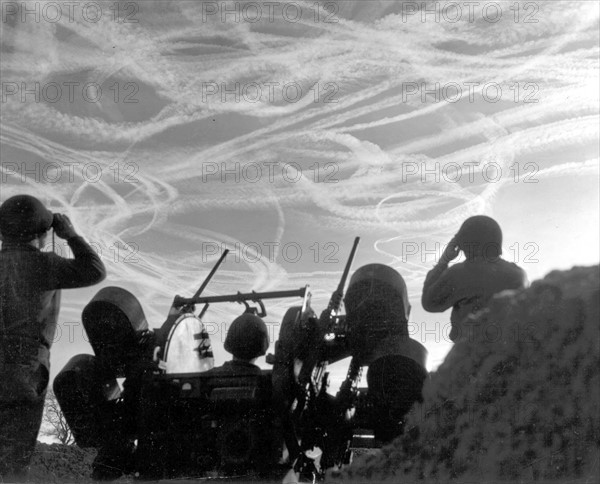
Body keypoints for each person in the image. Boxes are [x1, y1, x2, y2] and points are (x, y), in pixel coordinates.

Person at [0, 194, 106, 479]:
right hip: (25, 366)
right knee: (13, 461)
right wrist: (70, 235)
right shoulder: (45, 264)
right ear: (40, 233)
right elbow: (95, 271)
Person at [421, 215, 528, 341]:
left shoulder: (459, 273)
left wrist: (444, 261)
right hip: (511, 352)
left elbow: (429, 303)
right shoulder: (519, 274)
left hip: (470, 354)